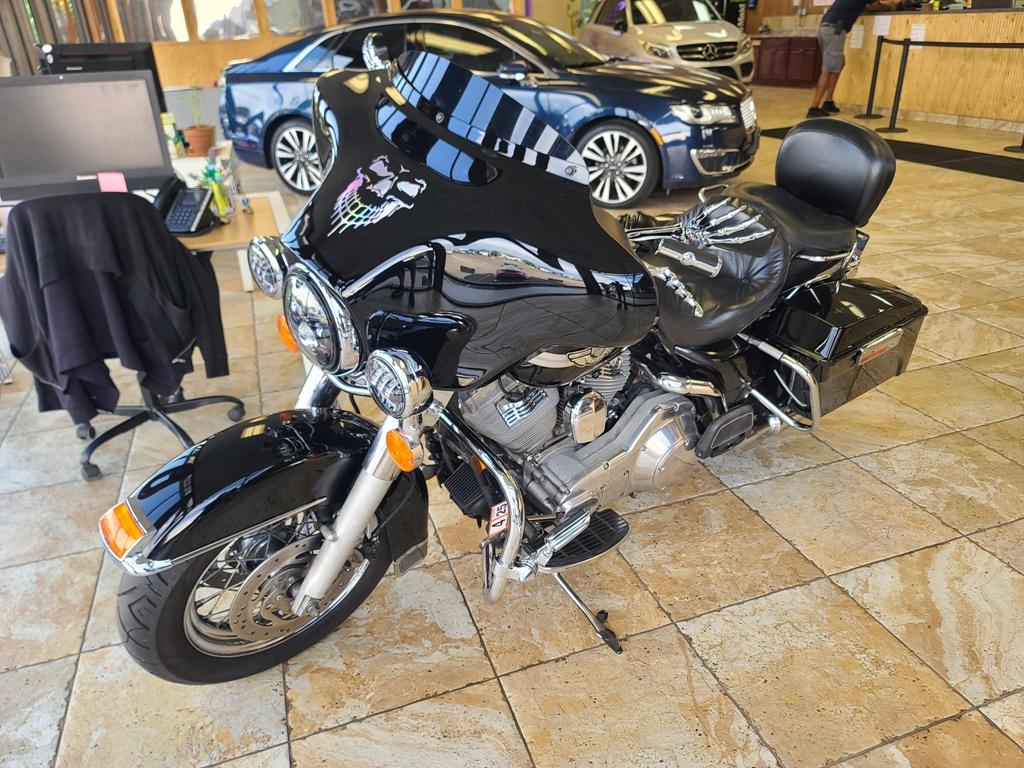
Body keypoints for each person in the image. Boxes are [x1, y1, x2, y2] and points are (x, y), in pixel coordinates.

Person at [808, 0, 900, 118]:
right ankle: (814, 108)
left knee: (839, 63)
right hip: (835, 29)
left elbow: (865, 6)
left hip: (826, 28)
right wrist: (892, 5)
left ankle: (828, 101)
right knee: (828, 69)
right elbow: (878, 5)